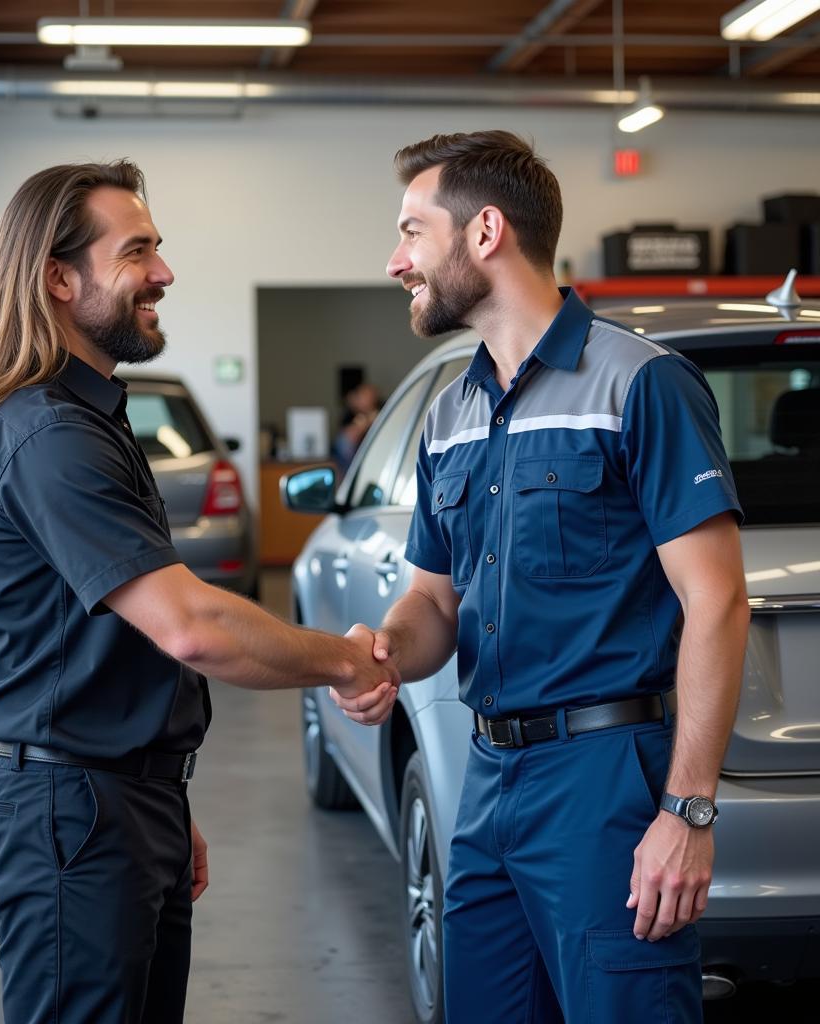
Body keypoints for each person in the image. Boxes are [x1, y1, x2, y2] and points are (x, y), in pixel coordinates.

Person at [0, 160, 398, 1024]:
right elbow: (189, 626)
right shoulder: (49, 435)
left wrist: (157, 797)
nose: (165, 274)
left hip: (112, 801)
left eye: (159, 249)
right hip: (71, 816)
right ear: (59, 278)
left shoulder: (91, 421)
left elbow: (107, 645)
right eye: (137, 251)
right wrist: (342, 660)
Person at [330, 131, 750, 1022]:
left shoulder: (640, 383)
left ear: (485, 233)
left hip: (604, 782)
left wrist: (689, 812)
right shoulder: (452, 411)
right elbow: (434, 600)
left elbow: (717, 601)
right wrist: (387, 653)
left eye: (412, 231)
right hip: (484, 778)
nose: (395, 259)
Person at [332, 381, 383, 476]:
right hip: (353, 462)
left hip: (374, 459)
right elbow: (347, 440)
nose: (367, 399)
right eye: (364, 396)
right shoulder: (349, 415)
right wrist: (365, 423)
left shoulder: (382, 411)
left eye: (370, 396)